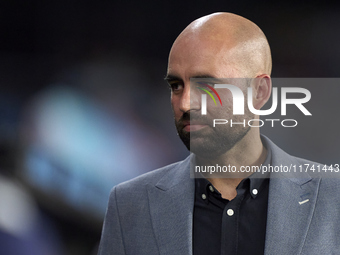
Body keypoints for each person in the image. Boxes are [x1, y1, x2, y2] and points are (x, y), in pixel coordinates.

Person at [98, 12, 340, 255]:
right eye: (176, 86)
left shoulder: (333, 198)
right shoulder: (129, 204)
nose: (184, 104)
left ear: (259, 92)